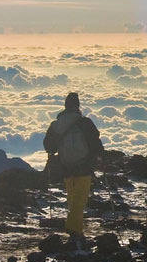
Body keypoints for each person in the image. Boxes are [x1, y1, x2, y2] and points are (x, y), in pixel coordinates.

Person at [44, 92, 103, 243]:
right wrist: (100, 156)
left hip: (66, 166)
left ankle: (75, 227)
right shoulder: (84, 122)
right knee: (80, 198)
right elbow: (94, 141)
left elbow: (48, 145)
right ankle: (74, 228)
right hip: (84, 166)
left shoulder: (57, 125)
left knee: (72, 197)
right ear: (77, 106)